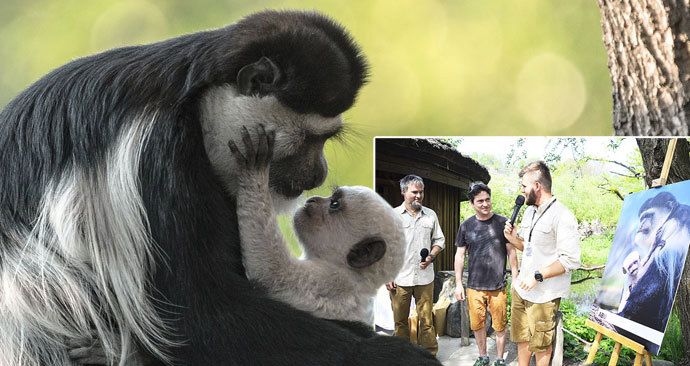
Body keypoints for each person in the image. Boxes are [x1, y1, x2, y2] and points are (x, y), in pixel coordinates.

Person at [503, 161, 581, 366]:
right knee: (521, 338)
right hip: (522, 289)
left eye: (524, 186)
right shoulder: (529, 212)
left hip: (544, 295)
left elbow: (570, 260)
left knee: (541, 344)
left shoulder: (562, 215)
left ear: (537, 186)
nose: (521, 190)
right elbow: (529, 248)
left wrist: (538, 275)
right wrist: (513, 240)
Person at [615, 191, 690, 354]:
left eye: (648, 215)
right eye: (641, 218)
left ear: (669, 208)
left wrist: (623, 315)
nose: (643, 222)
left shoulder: (678, 222)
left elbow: (653, 284)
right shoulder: (658, 240)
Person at [454, 182, 518, 366]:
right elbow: (459, 255)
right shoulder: (466, 226)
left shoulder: (502, 223)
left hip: (497, 285)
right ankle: (483, 356)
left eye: (487, 199)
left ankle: (499, 359)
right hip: (474, 286)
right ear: (472, 203)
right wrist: (458, 283)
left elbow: (511, 252)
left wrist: (515, 278)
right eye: (480, 201)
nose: (485, 204)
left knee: (500, 325)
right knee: (477, 325)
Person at [387, 174, 445, 356]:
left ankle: (429, 356)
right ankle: (402, 356)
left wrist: (431, 256)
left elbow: (439, 240)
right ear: (404, 192)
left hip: (425, 278)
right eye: (414, 192)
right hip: (400, 278)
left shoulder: (431, 215)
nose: (418, 196)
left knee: (426, 320)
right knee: (400, 322)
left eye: (421, 192)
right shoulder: (393, 216)